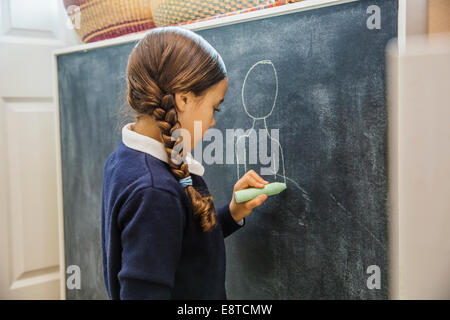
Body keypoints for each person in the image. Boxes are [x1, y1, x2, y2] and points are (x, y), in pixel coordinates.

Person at [101, 26, 269, 300]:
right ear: (184, 98)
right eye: (214, 107)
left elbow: (179, 243)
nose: (214, 121)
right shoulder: (155, 192)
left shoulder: (125, 159)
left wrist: (233, 213)